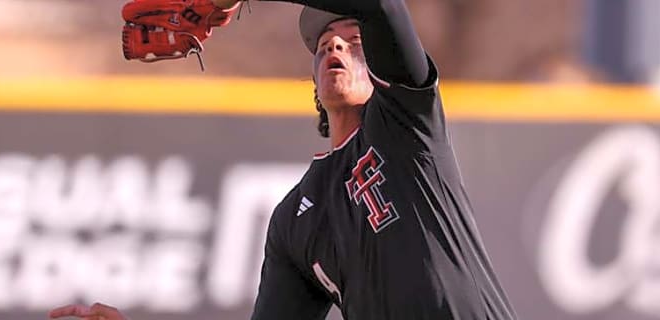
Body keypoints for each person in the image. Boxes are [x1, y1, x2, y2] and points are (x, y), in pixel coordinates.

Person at [50, 0, 518, 319]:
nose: (334, 46)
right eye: (324, 45)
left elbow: (381, 6)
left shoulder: (409, 126)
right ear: (314, 82)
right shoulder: (294, 219)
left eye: (354, 41)